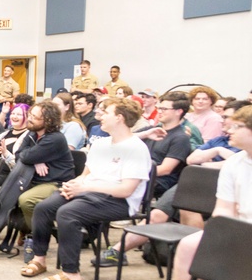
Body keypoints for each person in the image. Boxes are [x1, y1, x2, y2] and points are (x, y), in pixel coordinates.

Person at [94, 100, 247, 269]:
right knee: (157, 214)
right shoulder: (219, 140)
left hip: (210, 185)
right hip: (195, 182)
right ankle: (117, 251)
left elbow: (176, 167)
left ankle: (204, 259)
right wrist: (216, 153)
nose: (223, 120)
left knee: (191, 212)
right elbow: (192, 160)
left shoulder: (184, 137)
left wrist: (211, 159)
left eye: (228, 117)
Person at [20, 97, 151, 280]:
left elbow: (126, 190)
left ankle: (71, 273)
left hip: (118, 200)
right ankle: (39, 259)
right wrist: (72, 184)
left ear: (120, 118)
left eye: (105, 112)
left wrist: (85, 187)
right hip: (89, 192)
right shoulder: (101, 144)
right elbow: (85, 175)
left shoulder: (136, 148)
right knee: (44, 207)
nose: (100, 116)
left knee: (67, 213)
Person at [172, 105, 252, 280]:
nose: (228, 130)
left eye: (236, 126)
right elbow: (223, 209)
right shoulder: (235, 162)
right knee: (189, 245)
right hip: (240, 227)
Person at [13, 101, 75, 255]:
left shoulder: (55, 139)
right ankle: (29, 229)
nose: (29, 119)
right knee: (7, 196)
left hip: (56, 183)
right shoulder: (32, 134)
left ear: (47, 121)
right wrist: (36, 161)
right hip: (35, 180)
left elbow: (26, 156)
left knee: (26, 200)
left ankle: (37, 235)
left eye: (34, 117)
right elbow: (18, 155)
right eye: (30, 115)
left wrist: (32, 158)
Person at [135, 91, 192, 197]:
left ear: (178, 111)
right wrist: (144, 134)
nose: (159, 112)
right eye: (159, 108)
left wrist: (133, 173)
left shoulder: (180, 138)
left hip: (158, 181)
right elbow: (125, 139)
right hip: (141, 175)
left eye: (164, 109)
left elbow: (165, 169)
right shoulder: (150, 130)